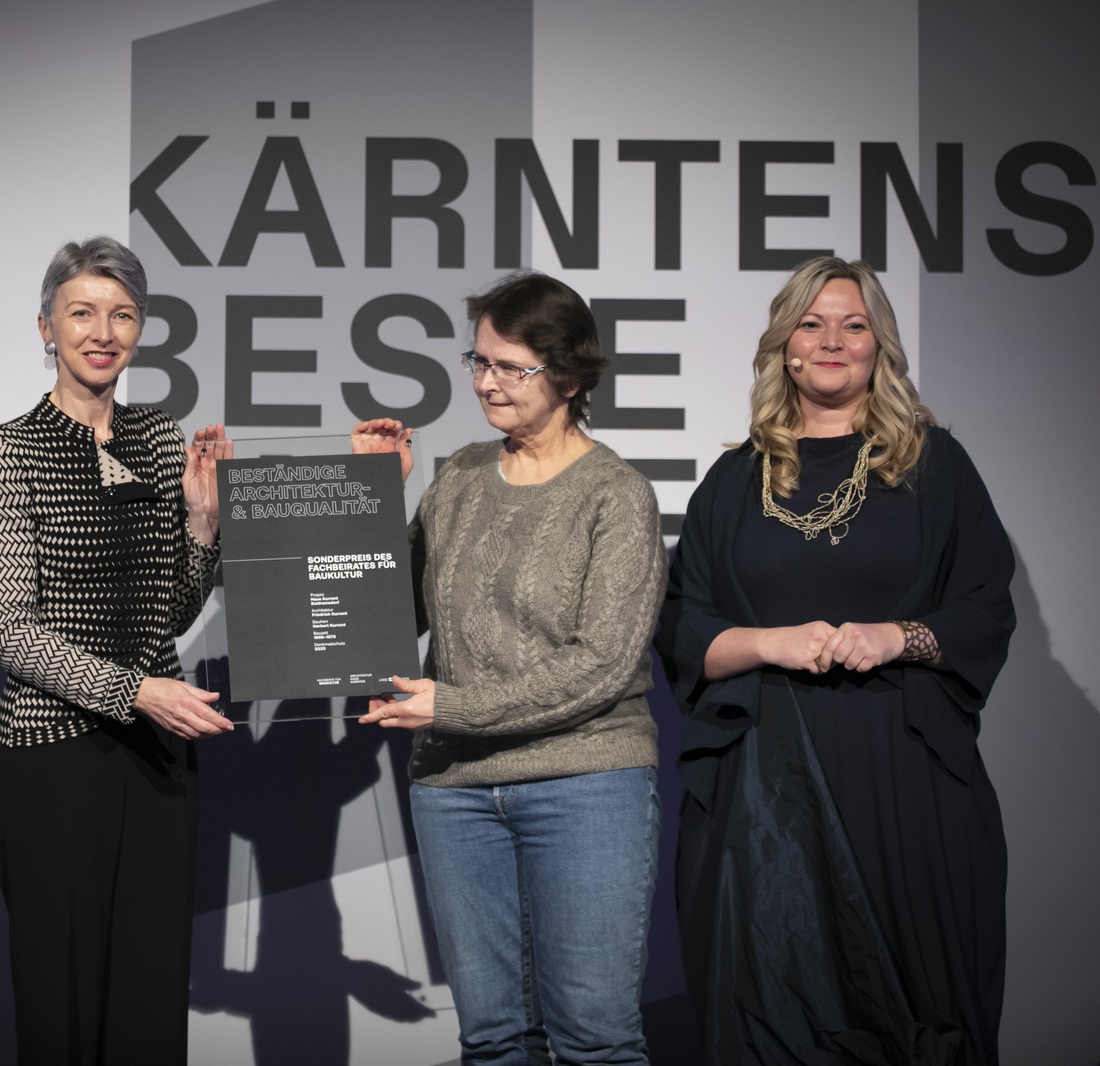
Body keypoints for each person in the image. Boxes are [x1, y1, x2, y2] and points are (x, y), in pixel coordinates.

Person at [657, 257, 1015, 1065]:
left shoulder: (934, 466)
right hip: (763, 794)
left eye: (853, 325)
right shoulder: (733, 481)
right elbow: (682, 623)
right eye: (811, 324)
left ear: (878, 345)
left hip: (905, 779)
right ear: (784, 346)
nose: (831, 341)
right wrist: (769, 644)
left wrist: (898, 637)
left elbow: (985, 606)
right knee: (768, 1013)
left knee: (921, 1011)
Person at [357, 272, 667, 1065]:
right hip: (454, 789)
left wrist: (453, 707)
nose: (486, 382)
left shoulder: (616, 495)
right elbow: (386, 619)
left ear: (568, 375)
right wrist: (373, 499)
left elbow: (601, 665)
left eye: (509, 367)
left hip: (584, 785)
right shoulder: (458, 475)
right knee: (493, 1041)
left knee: (594, 1040)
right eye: (479, 361)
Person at [0, 236, 233, 1065]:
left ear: (141, 329)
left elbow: (170, 614)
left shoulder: (161, 437)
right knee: (62, 1003)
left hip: (157, 755)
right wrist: (138, 692)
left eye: (122, 315)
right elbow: (12, 633)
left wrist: (202, 526)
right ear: (46, 327)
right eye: (81, 312)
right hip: (53, 757)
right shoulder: (6, 449)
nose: (102, 332)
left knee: (150, 1000)